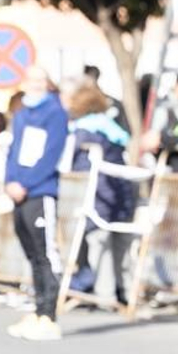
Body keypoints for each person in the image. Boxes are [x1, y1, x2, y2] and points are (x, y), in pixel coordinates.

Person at [3, 65, 70, 342]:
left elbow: (51, 154)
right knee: (31, 252)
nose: (35, 84)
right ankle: (37, 308)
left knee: (45, 253)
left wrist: (27, 183)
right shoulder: (21, 114)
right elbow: (14, 150)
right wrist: (10, 181)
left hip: (40, 191)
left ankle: (49, 314)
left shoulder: (56, 113)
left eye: (40, 80)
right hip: (18, 190)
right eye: (31, 80)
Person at [65, 83, 137, 307]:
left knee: (99, 244)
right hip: (121, 192)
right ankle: (125, 292)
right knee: (121, 246)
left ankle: (105, 295)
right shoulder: (112, 128)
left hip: (96, 194)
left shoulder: (82, 131)